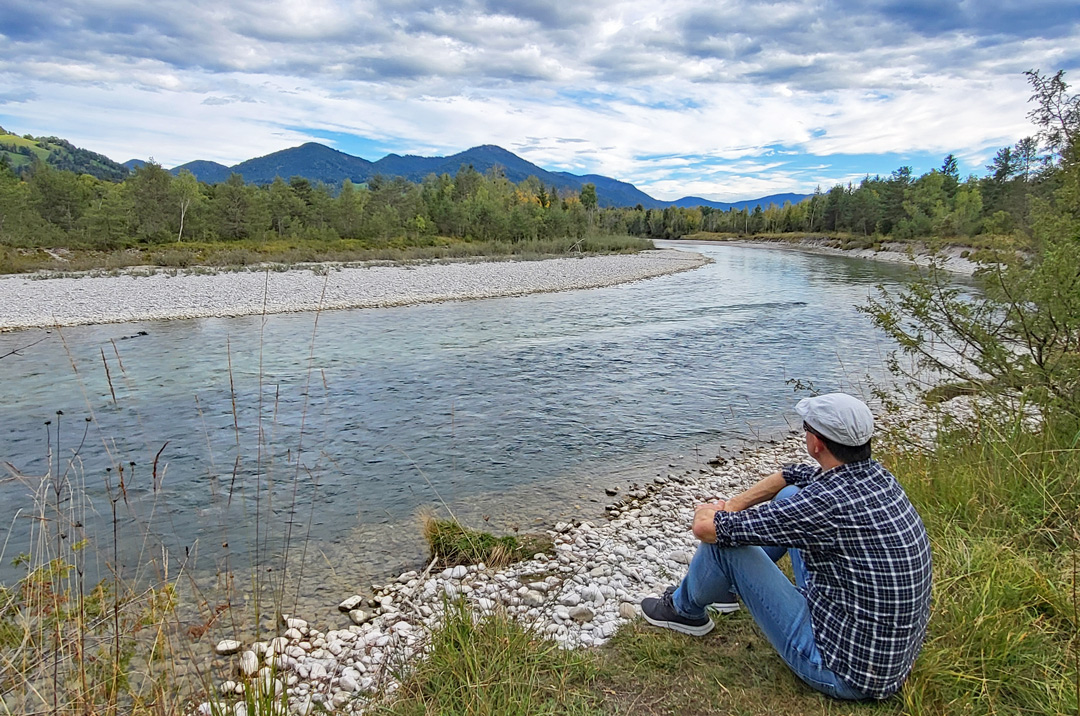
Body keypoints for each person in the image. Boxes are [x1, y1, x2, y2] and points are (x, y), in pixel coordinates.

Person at [640, 393, 932, 701]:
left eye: (806, 427)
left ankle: (684, 611)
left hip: (843, 671)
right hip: (884, 658)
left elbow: (707, 530)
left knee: (725, 544)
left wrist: (711, 510)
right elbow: (791, 475)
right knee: (790, 493)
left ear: (816, 443)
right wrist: (736, 503)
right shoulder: (876, 476)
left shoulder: (824, 504)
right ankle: (729, 586)